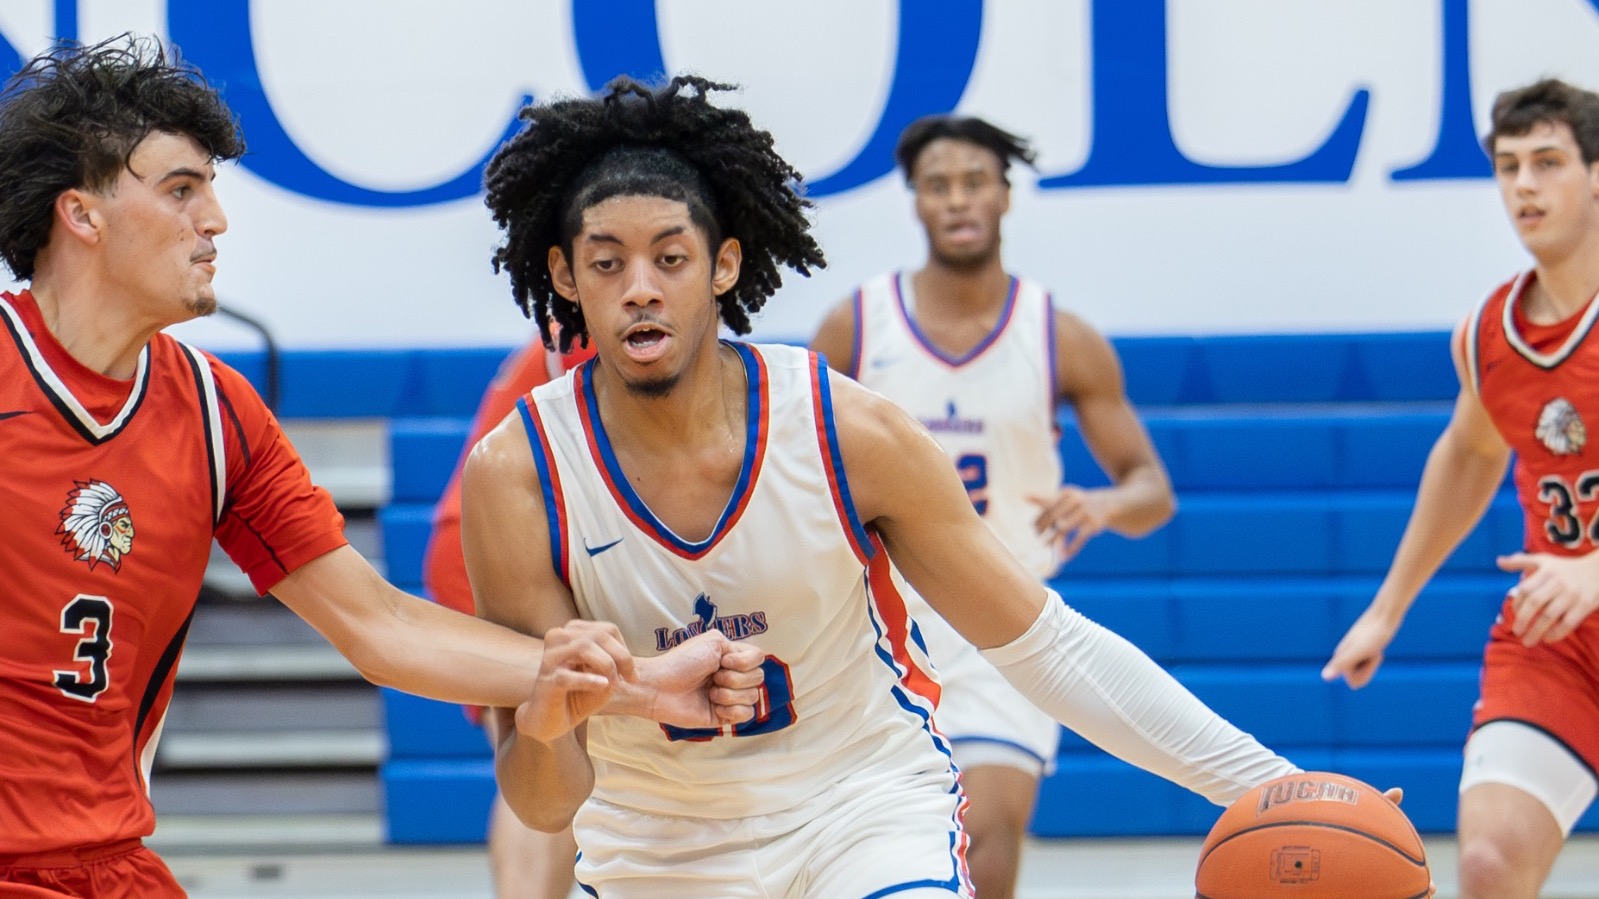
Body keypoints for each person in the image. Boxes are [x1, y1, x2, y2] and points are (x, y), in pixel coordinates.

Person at [463, 74, 1303, 898]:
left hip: (860, 810)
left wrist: (1275, 787)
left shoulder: (846, 430)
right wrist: (544, 721)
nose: (640, 288)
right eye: (606, 263)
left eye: (670, 258)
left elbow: (1051, 647)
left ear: (723, 265)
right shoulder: (516, 476)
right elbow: (544, 803)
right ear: (565, 277)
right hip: (655, 847)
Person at [0, 36, 761, 898]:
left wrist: (645, 685)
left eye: (210, 189)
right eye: (181, 190)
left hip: (106, 863)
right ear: (83, 214)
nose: (215, 220)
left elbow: (383, 626)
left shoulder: (215, 413)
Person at [808, 115, 1176, 898]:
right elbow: (793, 466)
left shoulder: (1060, 336)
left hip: (1000, 621)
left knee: (985, 833)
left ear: (1004, 195)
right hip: (874, 621)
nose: (957, 199)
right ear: (915, 201)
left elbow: (1152, 489)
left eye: (974, 181)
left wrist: (1104, 503)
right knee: (867, 845)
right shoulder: (856, 325)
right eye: (937, 185)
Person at [1322, 77, 1599, 899]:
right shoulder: (1487, 333)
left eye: (1546, 162)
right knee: (1487, 862)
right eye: (1508, 166)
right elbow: (1470, 455)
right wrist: (1387, 606)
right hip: (1559, 636)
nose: (1523, 185)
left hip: (1581, 584)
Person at [423, 335, 594, 899]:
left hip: (498, 537)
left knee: (552, 747)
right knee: (552, 747)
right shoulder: (603, 329)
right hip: (501, 543)